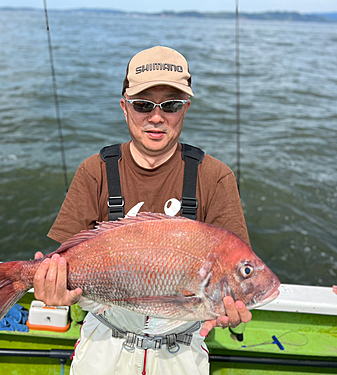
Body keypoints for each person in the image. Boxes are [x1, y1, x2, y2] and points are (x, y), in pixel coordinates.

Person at [33, 46, 252, 374]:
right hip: (104, 345)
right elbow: (66, 258)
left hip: (182, 351)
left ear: (185, 109)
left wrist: (230, 308)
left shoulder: (215, 177)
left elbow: (233, 267)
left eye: (171, 105)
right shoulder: (95, 170)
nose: (156, 116)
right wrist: (52, 285)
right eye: (143, 104)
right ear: (124, 108)